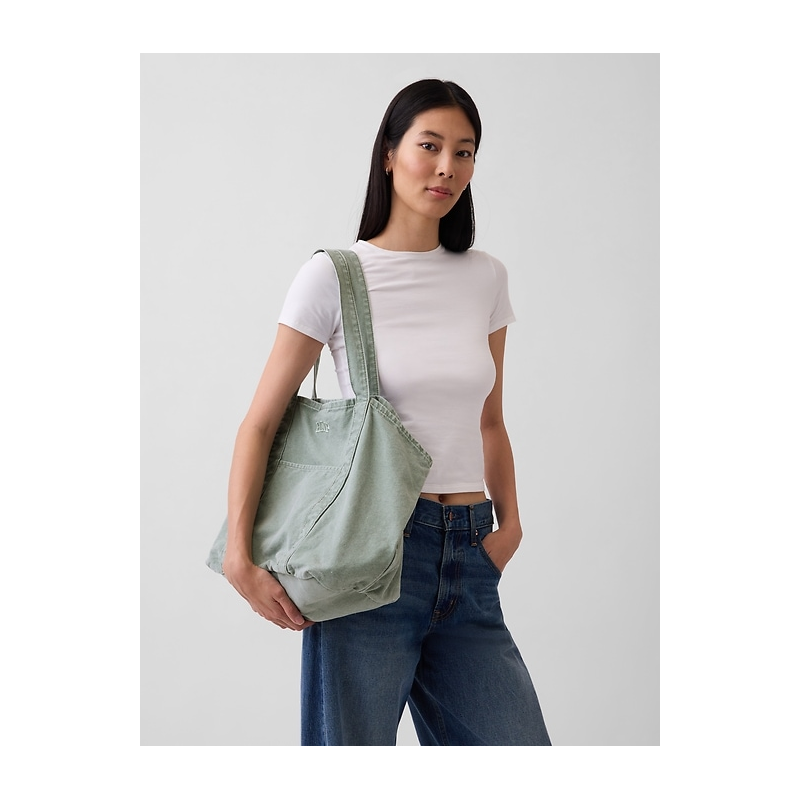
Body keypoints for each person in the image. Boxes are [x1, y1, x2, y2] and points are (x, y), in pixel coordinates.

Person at [221, 78, 552, 746]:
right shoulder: (334, 276)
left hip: (469, 554)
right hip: (369, 554)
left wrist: (510, 525)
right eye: (429, 146)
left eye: (464, 151)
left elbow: (490, 420)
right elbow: (260, 422)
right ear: (389, 155)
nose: (446, 166)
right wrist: (239, 555)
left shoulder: (485, 277)